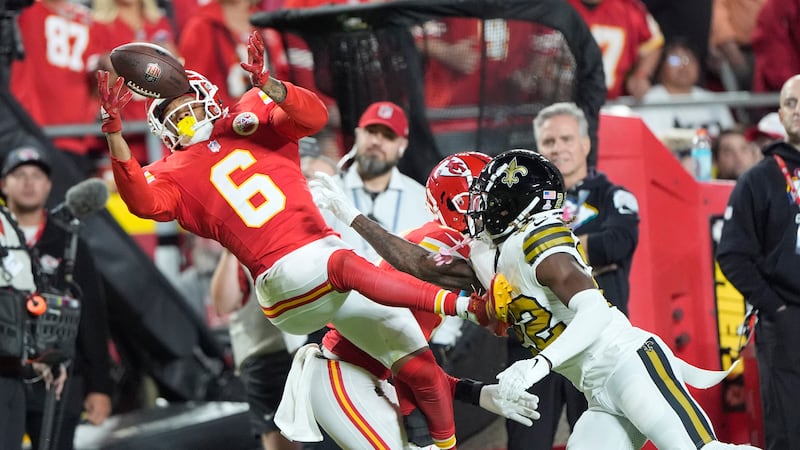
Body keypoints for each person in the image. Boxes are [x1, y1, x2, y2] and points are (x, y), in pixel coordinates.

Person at [96, 31, 491, 449]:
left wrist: (270, 84)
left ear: (206, 93)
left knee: (420, 365)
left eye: (186, 100)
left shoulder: (249, 114)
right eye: (173, 111)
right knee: (342, 262)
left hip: (323, 265)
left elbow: (314, 117)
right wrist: (115, 135)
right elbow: (141, 202)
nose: (186, 113)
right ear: (162, 128)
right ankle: (469, 307)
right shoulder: (170, 171)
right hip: (282, 278)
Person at [466, 149, 758, 449]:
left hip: (628, 364)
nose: (484, 210)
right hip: (597, 388)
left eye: (493, 200)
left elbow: (595, 311)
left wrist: (537, 365)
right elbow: (456, 265)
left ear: (518, 204)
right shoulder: (502, 252)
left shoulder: (537, 241)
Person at [285, 152, 539, 449]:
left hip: (368, 376)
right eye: (493, 194)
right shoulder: (447, 243)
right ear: (460, 202)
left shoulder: (455, 246)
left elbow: (407, 361)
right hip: (341, 374)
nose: (502, 203)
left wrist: (477, 393)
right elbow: (419, 366)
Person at [505, 102, 640, 450]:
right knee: (526, 444)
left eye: (566, 138)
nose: (557, 148)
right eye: (548, 141)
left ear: (585, 143)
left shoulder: (614, 196)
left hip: (597, 348)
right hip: (533, 346)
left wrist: (541, 258)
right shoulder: (516, 205)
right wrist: (579, 256)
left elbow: (618, 244)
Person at [0, 146, 113, 450]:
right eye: (19, 175)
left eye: (37, 175)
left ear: (49, 185)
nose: (28, 182)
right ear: (3, 184)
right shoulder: (3, 235)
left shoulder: (69, 240)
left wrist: (99, 386)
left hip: (60, 375)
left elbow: (92, 318)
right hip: (6, 371)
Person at [717, 74, 800, 450]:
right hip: (787, 320)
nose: (797, 110)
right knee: (788, 429)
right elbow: (732, 255)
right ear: (780, 115)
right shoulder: (758, 180)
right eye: (790, 103)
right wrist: (777, 308)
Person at [0, 154, 66, 450]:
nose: (28, 182)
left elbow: (22, 300)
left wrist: (40, 354)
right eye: (20, 175)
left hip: (13, 372)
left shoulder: (8, 223)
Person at [209, 248, 300, 450]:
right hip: (268, 355)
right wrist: (230, 249)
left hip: (315, 350)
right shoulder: (241, 241)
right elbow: (223, 304)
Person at [9, 0, 103, 175]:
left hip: (77, 140)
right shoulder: (23, 9)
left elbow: (100, 81)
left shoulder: (89, 20)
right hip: (29, 134)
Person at [334, 101, 431, 262]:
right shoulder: (326, 193)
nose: (377, 142)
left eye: (388, 136)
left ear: (402, 146)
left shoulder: (423, 201)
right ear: (358, 135)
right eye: (371, 132)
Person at [567, 0, 663, 100]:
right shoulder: (558, 5)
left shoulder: (629, 8)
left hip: (612, 103)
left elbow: (653, 44)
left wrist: (641, 74)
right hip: (564, 103)